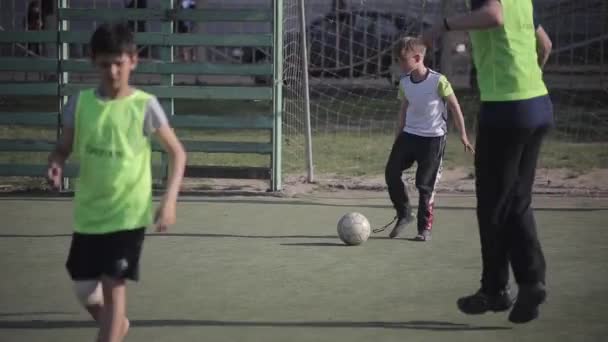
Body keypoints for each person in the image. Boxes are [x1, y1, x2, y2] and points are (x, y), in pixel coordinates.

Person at [47, 23, 187, 342]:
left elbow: (178, 154)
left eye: (119, 63)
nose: (112, 71)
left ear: (133, 61)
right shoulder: (79, 104)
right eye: (105, 63)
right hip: (89, 214)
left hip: (127, 215)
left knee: (113, 289)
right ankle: (116, 325)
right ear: (93, 62)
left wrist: (169, 201)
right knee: (84, 289)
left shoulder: (145, 105)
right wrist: (56, 164)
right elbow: (63, 148)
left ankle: (112, 330)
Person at [423, 0, 554, 323]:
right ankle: (530, 282)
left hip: (506, 110)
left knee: (494, 205)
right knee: (516, 201)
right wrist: (528, 81)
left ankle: (497, 289)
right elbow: (546, 44)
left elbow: (493, 15)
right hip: (537, 103)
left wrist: (443, 26)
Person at [384, 37, 473, 241]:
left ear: (417, 58)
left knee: (424, 185)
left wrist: (463, 135)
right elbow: (403, 110)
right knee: (391, 172)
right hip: (409, 135)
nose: (399, 64)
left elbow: (454, 105)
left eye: (402, 60)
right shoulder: (405, 82)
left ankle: (424, 228)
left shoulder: (438, 80)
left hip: (432, 139)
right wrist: (398, 136)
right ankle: (404, 213)